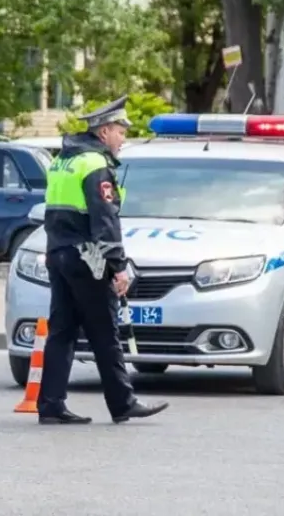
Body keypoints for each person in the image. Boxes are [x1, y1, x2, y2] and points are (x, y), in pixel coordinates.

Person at [38, 95, 169, 425]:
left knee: (62, 331)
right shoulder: (96, 165)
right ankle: (122, 403)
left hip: (59, 253)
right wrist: (118, 266)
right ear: (105, 131)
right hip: (88, 258)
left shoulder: (63, 160)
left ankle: (50, 404)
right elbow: (105, 218)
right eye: (121, 132)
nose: (123, 139)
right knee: (105, 331)